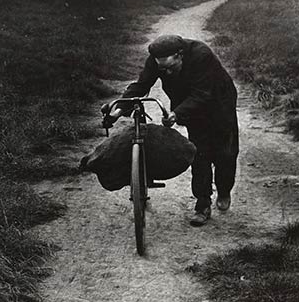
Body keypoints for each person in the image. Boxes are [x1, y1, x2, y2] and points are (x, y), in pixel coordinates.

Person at [102, 34, 239, 226]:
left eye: (170, 67)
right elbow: (141, 85)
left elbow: (203, 93)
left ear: (180, 55)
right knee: (199, 153)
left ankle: (224, 190)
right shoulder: (156, 60)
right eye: (161, 69)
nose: (166, 73)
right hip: (190, 107)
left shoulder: (201, 55)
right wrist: (118, 110)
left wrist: (176, 114)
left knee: (225, 153)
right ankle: (203, 204)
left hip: (219, 103)